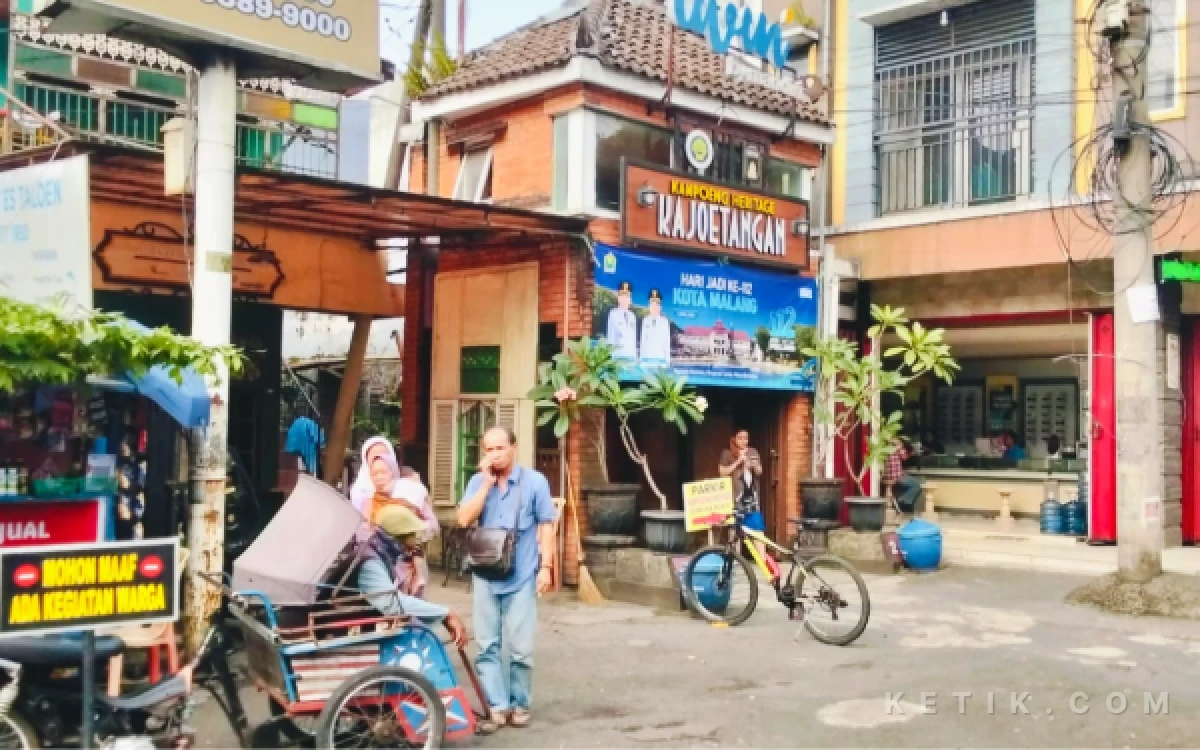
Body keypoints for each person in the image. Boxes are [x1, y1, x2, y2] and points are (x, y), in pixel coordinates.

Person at [456, 427, 557, 734]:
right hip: (485, 575)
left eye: (500, 448)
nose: (495, 454)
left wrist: (547, 567)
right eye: (489, 449)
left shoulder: (534, 482)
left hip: (521, 575)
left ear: (514, 447)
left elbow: (547, 525)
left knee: (521, 648)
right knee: (486, 645)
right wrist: (485, 485)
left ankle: (520, 704)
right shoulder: (477, 481)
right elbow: (463, 519)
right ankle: (497, 706)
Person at [357, 505, 468, 647]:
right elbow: (391, 602)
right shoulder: (370, 560)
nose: (415, 541)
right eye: (412, 535)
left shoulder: (379, 551)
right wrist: (445, 614)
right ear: (399, 536)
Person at [719, 429, 767, 561]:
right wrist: (738, 461)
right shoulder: (727, 453)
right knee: (734, 530)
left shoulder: (753, 452)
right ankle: (735, 561)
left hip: (752, 498)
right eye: (740, 438)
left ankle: (762, 561)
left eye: (746, 438)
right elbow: (722, 472)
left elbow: (759, 472)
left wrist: (753, 464)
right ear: (734, 439)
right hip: (736, 498)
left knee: (757, 529)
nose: (743, 441)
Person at [885, 439, 923, 514]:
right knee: (916, 485)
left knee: (908, 481)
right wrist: (900, 446)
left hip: (888, 476)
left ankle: (902, 502)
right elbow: (905, 457)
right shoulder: (897, 448)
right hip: (897, 477)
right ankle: (902, 501)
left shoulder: (885, 450)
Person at [606, 280, 639, 360]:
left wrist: (634, 356)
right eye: (622, 295)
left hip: (630, 356)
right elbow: (610, 337)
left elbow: (633, 338)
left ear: (630, 299)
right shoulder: (613, 314)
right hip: (617, 357)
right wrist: (610, 357)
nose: (625, 298)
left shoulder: (632, 316)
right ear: (618, 298)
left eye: (627, 296)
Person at [639, 287, 671, 366]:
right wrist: (641, 360)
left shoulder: (664, 321)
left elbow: (666, 342)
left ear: (660, 307)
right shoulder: (645, 320)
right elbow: (643, 341)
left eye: (657, 304)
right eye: (652, 304)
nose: (654, 307)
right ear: (649, 306)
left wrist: (667, 361)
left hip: (660, 359)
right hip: (647, 360)